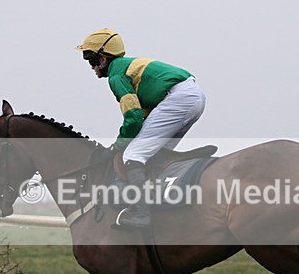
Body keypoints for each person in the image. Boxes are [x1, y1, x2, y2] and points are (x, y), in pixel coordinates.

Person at [76, 28, 206, 229]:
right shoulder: (126, 68)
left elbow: (134, 118)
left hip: (180, 99)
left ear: (103, 59)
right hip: (192, 97)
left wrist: (117, 146)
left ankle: (141, 213)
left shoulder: (116, 75)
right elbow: (142, 117)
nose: (91, 67)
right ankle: (158, 201)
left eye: (91, 60)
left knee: (133, 155)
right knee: (155, 153)